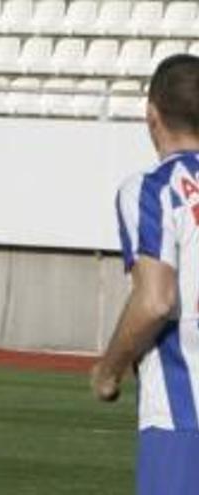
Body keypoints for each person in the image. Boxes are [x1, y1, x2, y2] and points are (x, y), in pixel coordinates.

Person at [92, 53, 199, 495]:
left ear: (151, 115)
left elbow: (155, 300)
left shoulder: (152, 190)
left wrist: (109, 370)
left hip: (183, 415)